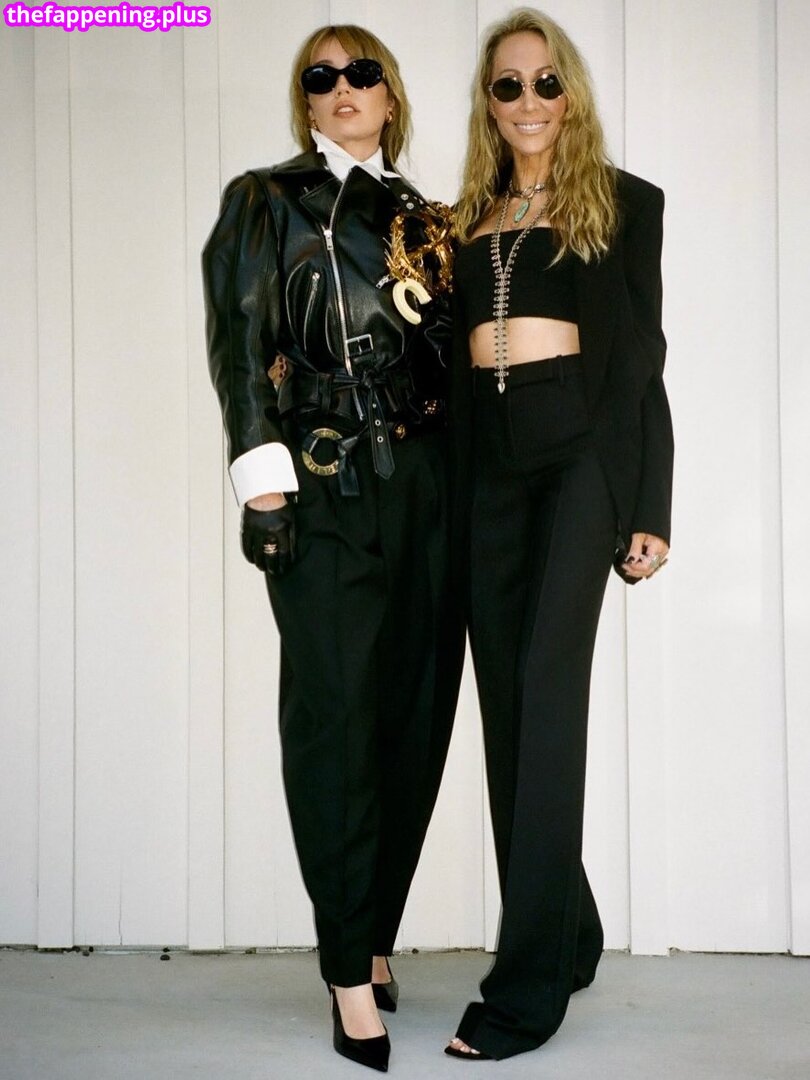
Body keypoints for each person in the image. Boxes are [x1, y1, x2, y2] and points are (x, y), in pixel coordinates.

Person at [202, 24, 464, 1073]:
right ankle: (347, 969)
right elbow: (239, 344)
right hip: (325, 487)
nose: (344, 87)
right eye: (323, 75)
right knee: (338, 724)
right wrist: (263, 486)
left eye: (362, 72)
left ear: (390, 95)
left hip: (430, 493)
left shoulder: (429, 220)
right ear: (306, 101)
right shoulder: (266, 201)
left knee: (415, 719)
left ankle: (375, 926)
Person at [445, 7, 674, 1061]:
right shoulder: (466, 217)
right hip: (487, 466)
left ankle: (528, 985)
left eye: (546, 82)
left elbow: (642, 364)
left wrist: (650, 505)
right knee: (508, 708)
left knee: (546, 695)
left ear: (569, 93)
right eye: (508, 85)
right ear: (488, 104)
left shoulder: (623, 204)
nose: (528, 100)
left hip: (580, 458)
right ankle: (571, 928)